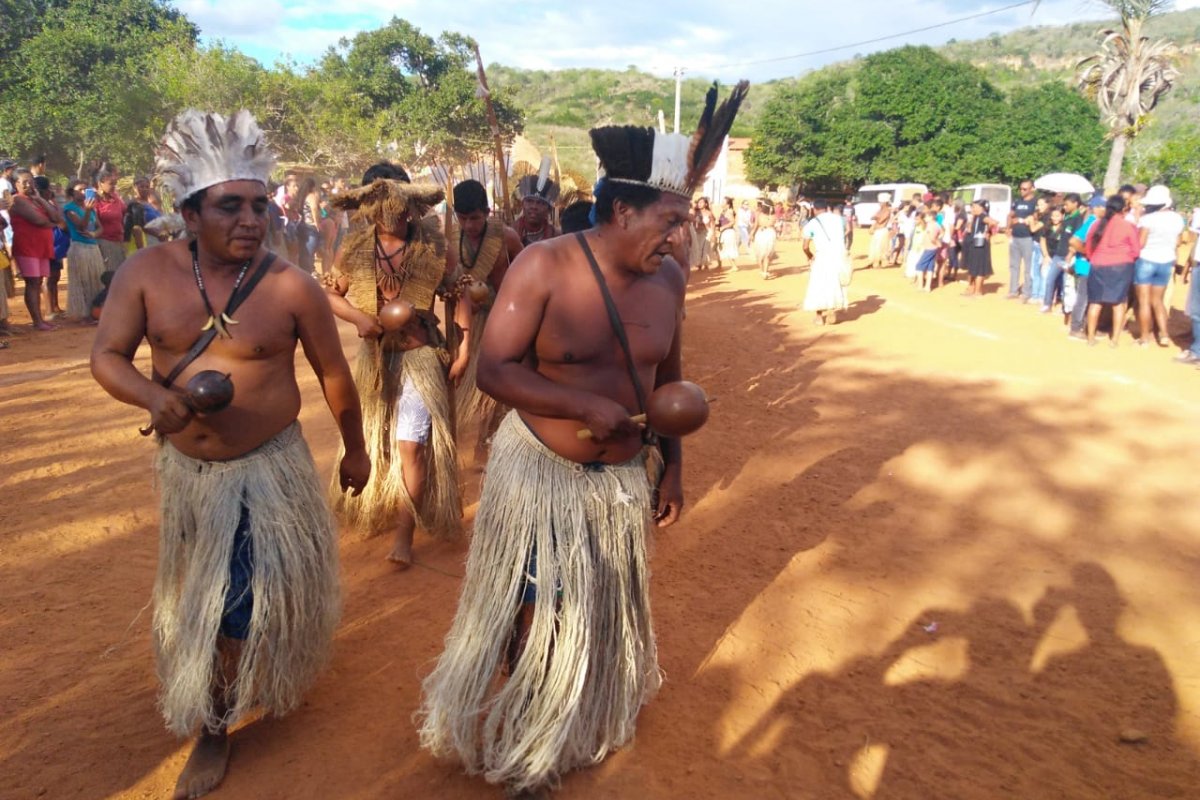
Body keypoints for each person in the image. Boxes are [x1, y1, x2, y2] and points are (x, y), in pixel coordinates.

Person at [419, 80, 748, 797]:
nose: (678, 235)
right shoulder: (545, 266)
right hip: (541, 475)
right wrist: (579, 403)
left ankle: (548, 715)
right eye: (669, 219)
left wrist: (674, 465)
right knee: (540, 606)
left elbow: (671, 378)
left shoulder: (671, 279)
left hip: (621, 483)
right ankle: (530, 743)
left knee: (579, 609)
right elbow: (498, 369)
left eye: (684, 221)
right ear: (621, 209)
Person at [90, 109, 368, 800]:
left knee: (242, 598)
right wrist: (153, 400)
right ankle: (215, 718)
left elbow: (334, 374)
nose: (250, 219)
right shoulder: (146, 275)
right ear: (189, 213)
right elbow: (108, 358)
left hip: (269, 470)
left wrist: (358, 450)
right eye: (229, 206)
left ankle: (222, 712)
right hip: (192, 476)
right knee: (209, 597)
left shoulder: (291, 286)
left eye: (257, 203)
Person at [322, 162, 467, 567]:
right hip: (374, 360)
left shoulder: (434, 247)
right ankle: (375, 504)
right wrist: (358, 317)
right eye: (384, 207)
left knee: (411, 446)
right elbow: (329, 296)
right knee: (373, 439)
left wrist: (467, 345)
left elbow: (461, 292)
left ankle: (405, 533)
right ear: (369, 207)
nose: (396, 215)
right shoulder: (353, 249)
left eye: (402, 206)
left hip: (420, 357)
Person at [451, 178, 524, 449]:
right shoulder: (451, 238)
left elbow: (528, 273)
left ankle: (491, 441)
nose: (469, 225)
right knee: (463, 379)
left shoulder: (506, 237)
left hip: (501, 321)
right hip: (465, 321)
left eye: (475, 218)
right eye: (462, 218)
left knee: (494, 386)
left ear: (487, 213)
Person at [9, 168, 63, 330]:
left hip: (41, 246)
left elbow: (56, 216)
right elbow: (39, 220)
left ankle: (40, 319)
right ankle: (37, 321)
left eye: (30, 181)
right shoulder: (17, 200)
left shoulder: (34, 200)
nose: (28, 185)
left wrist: (40, 199)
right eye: (24, 182)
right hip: (27, 246)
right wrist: (55, 225)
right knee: (32, 283)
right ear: (15, 184)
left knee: (38, 281)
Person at [1084, 195, 1141, 347]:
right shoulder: (1128, 226)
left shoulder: (1097, 224)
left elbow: (1088, 246)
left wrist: (1093, 258)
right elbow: (1136, 251)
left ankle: (1090, 338)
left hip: (1098, 264)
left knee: (1095, 302)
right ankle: (1114, 340)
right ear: (1123, 209)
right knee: (1118, 303)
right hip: (1121, 266)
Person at [1133, 185, 1182, 347]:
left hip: (1147, 259)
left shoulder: (1148, 219)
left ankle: (1144, 338)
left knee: (1144, 301)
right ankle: (1164, 335)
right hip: (1166, 261)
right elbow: (1178, 241)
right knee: (1158, 301)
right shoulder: (1177, 219)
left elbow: (1141, 242)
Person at [62, 180, 107, 321]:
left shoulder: (91, 208)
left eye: (85, 189)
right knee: (82, 281)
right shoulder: (69, 208)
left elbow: (100, 227)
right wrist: (87, 211)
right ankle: (83, 313)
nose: (83, 192)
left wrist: (94, 234)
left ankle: (94, 311)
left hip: (93, 247)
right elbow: (81, 226)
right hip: (79, 247)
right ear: (72, 192)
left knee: (95, 279)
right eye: (79, 190)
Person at [802, 197, 849, 325]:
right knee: (835, 283)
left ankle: (819, 317)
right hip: (838, 256)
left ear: (814, 209)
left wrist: (810, 256)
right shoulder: (838, 219)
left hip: (822, 257)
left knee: (818, 284)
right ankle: (832, 312)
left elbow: (805, 246)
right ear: (826, 207)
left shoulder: (811, 224)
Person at [1066, 195, 1107, 341]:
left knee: (1089, 297)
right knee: (1084, 297)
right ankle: (1076, 328)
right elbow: (1074, 241)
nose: (1105, 209)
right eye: (1102, 206)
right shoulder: (1092, 222)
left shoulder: (1096, 222)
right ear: (1095, 208)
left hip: (1088, 264)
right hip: (1085, 264)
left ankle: (1088, 327)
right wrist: (1088, 253)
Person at [1042, 194, 1084, 314]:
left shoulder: (1078, 219)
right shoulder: (1067, 217)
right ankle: (1047, 304)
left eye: (1067, 204)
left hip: (1068, 255)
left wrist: (1071, 254)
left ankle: (1066, 308)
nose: (1065, 206)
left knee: (1067, 283)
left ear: (1075, 204)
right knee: (1050, 279)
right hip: (1058, 254)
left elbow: (1077, 239)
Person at [514, 159, 560, 246]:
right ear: (522, 204)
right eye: (529, 201)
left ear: (549, 209)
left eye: (540, 203)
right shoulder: (511, 233)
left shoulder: (557, 237)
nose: (534, 206)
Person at [1008, 179, 1038, 300]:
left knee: (1028, 267)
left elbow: (1035, 218)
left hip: (1028, 237)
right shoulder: (1017, 201)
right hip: (1015, 236)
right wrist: (1008, 228)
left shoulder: (1035, 203)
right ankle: (1013, 290)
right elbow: (1010, 215)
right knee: (1014, 265)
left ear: (1032, 189)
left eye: (1025, 189)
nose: (1022, 191)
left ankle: (1027, 292)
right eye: (1020, 188)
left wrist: (1023, 220)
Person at [93, 170, 127, 274]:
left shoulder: (116, 198)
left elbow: (125, 211)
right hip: (105, 242)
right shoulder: (96, 201)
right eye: (110, 184)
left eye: (114, 184)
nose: (113, 187)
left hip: (119, 241)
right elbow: (94, 222)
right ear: (100, 184)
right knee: (110, 274)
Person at [961, 200, 997, 297]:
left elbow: (994, 222)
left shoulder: (983, 216)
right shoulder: (976, 217)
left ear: (981, 208)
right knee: (973, 267)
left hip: (980, 245)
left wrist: (988, 232)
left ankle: (978, 291)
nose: (972, 209)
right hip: (974, 244)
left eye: (974, 207)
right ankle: (972, 289)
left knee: (979, 268)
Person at [288, 176, 321, 273]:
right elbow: (314, 209)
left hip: (301, 226)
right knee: (309, 254)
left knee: (303, 253)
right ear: (312, 187)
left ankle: (302, 274)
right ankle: (308, 274)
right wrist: (317, 223)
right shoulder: (311, 196)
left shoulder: (300, 197)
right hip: (310, 226)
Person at [913, 209, 942, 292]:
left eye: (926, 216)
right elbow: (942, 232)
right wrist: (938, 240)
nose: (925, 218)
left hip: (929, 248)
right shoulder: (937, 225)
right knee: (930, 267)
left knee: (919, 266)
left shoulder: (930, 226)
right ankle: (927, 287)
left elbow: (932, 238)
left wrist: (936, 242)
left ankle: (920, 285)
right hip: (933, 248)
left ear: (931, 217)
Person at [750, 198, 778, 279]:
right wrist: (752, 234)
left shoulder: (767, 215)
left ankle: (764, 271)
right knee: (763, 254)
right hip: (765, 234)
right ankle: (763, 271)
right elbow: (756, 225)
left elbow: (757, 225)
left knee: (764, 255)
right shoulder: (761, 214)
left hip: (766, 234)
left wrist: (752, 233)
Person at [867, 193, 893, 269]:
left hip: (882, 230)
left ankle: (879, 263)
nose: (879, 204)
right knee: (874, 247)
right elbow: (876, 219)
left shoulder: (887, 210)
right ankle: (874, 262)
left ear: (885, 203)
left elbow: (881, 220)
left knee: (880, 248)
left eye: (881, 202)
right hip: (877, 231)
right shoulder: (880, 210)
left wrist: (876, 217)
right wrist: (872, 227)